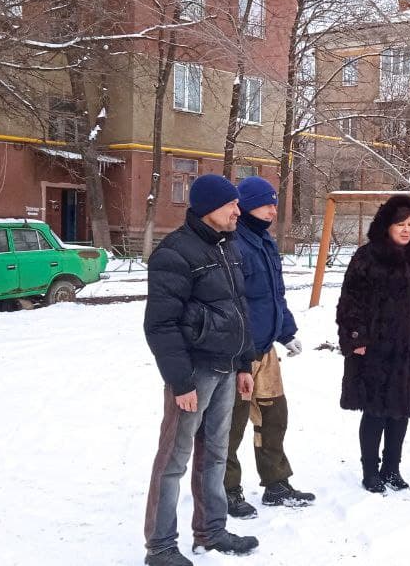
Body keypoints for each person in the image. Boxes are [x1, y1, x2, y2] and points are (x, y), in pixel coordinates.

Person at [142, 174, 260, 566]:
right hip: (194, 374)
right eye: (232, 204)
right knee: (173, 461)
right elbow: (161, 325)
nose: (238, 211)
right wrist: (181, 382)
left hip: (226, 369)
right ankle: (160, 547)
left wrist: (244, 363)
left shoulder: (229, 246)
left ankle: (211, 530)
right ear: (210, 206)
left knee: (215, 455)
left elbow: (239, 308)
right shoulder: (174, 254)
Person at [336, 195, 410, 493]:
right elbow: (350, 301)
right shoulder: (367, 257)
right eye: (400, 224)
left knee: (402, 410)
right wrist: (355, 336)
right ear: (386, 225)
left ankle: (392, 468)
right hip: (376, 350)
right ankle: (370, 471)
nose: (406, 229)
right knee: (375, 411)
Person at [223, 176, 313, 520]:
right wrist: (241, 350)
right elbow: (233, 303)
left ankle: (276, 483)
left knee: (274, 417)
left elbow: (275, 296)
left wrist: (286, 332)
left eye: (274, 204)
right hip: (239, 352)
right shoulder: (234, 244)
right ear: (246, 206)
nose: (273, 211)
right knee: (231, 425)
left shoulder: (265, 242)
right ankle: (227, 489)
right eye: (266, 204)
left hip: (266, 351)